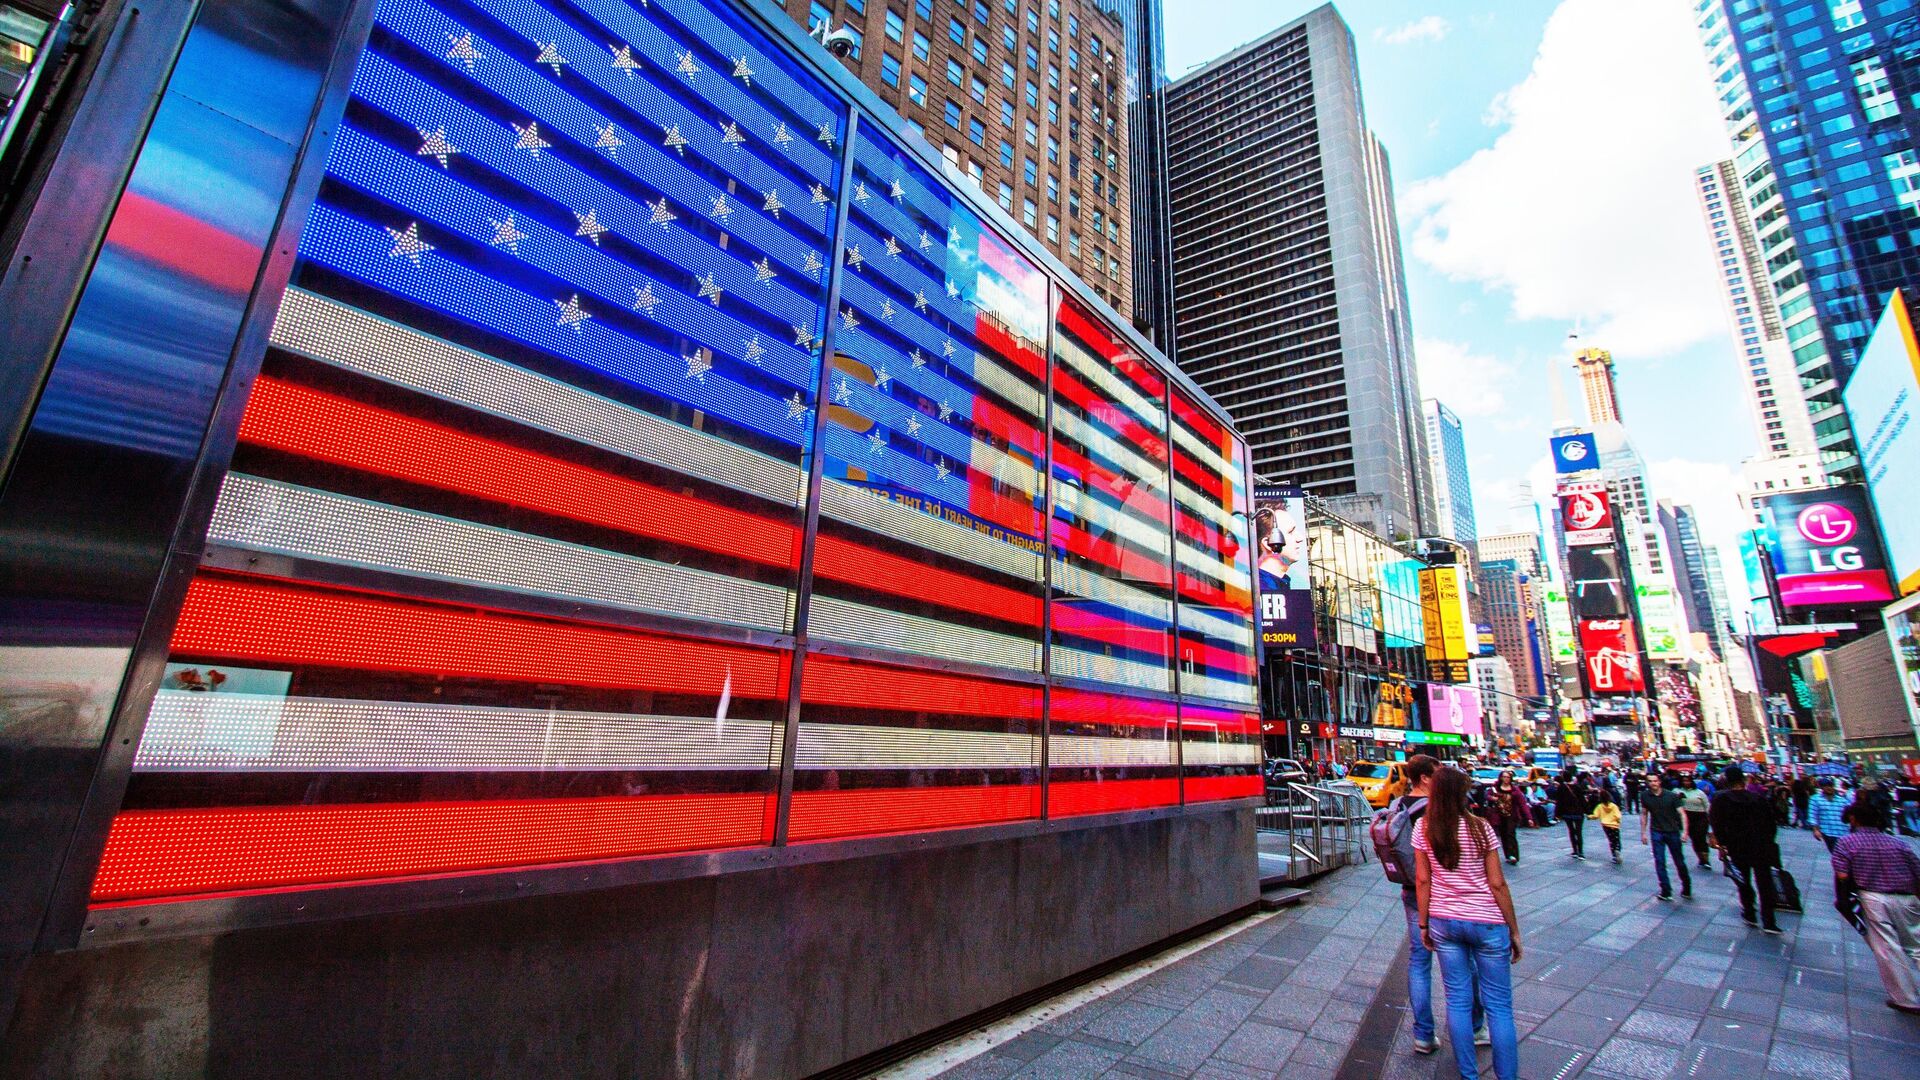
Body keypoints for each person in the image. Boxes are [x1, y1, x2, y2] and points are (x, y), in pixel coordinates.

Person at [1414, 767, 1521, 1080]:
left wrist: (1423, 924)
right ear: (1462, 794)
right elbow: (1498, 883)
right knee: (1499, 1006)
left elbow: (1423, 879)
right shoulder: (1481, 828)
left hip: (1444, 922)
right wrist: (1513, 929)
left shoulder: (1423, 828)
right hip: (1487, 921)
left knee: (1457, 1002)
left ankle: (1469, 1074)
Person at [1385, 756, 1486, 1056]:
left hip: (1412, 891)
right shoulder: (1437, 810)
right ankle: (1476, 1026)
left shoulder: (1399, 805)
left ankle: (1423, 1034)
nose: (1442, 777)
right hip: (1443, 893)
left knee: (1419, 962)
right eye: (1438, 773)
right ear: (1426, 778)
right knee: (1465, 962)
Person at [1830, 801, 1920, 1014]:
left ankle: (1906, 999)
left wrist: (1843, 901)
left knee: (1888, 947)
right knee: (1916, 945)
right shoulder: (1898, 844)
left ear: (1854, 819)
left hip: (1873, 897)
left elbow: (1842, 875)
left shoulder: (1847, 843)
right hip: (1908, 898)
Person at [1709, 767, 1783, 934]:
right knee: (1764, 882)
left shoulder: (1721, 799)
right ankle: (1769, 920)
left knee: (1743, 880)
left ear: (1727, 780)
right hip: (1761, 845)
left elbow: (1717, 824)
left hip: (1738, 846)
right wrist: (1768, 841)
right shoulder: (1758, 798)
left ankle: (1749, 912)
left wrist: (1723, 845)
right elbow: (1771, 823)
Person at [1640, 772, 1693, 901]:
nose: (1653, 783)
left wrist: (1685, 832)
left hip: (1672, 831)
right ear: (1647, 782)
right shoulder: (1645, 796)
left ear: (1660, 782)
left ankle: (1686, 886)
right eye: (1650, 781)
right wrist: (1643, 833)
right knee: (1659, 861)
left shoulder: (1672, 796)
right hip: (1656, 831)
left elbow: (1682, 814)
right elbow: (1644, 813)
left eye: (1655, 781)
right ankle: (1666, 890)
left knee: (1679, 861)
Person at [1550, 770, 1591, 860]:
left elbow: (1559, 802)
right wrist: (1588, 812)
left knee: (1571, 831)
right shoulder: (1577, 787)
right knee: (1579, 832)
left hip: (1568, 813)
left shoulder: (1561, 788)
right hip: (1578, 813)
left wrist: (1557, 814)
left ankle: (1575, 851)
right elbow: (1582, 800)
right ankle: (1581, 852)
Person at [1485, 770, 1522, 865]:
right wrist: (1492, 798)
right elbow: (1487, 795)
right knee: (1504, 834)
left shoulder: (1515, 790)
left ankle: (1514, 855)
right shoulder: (1495, 788)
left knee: (1511, 833)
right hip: (1499, 815)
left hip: (1511, 815)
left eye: (1508, 777)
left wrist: (1529, 818)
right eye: (1504, 777)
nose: (1506, 779)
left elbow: (1522, 803)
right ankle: (1508, 855)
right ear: (1501, 778)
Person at [1807, 779, 1850, 852]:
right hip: (1828, 832)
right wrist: (1815, 830)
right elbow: (1812, 816)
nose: (1829, 788)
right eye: (1826, 786)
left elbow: (1849, 814)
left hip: (1844, 832)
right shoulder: (1815, 799)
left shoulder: (1842, 800)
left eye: (1830, 786)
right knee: (1836, 854)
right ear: (1822, 788)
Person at [1680, 781, 1713, 869]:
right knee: (1694, 839)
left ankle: (1706, 860)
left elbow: (1707, 805)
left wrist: (1709, 817)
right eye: (1684, 780)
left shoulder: (1699, 792)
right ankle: (1701, 859)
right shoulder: (1678, 791)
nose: (1686, 782)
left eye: (1688, 780)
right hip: (1688, 817)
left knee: (1701, 838)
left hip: (1700, 817)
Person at [1590, 786, 1622, 864]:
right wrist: (1617, 821)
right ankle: (1617, 850)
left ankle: (1614, 854)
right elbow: (1618, 815)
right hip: (1614, 825)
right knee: (1616, 839)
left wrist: (1589, 816)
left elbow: (1595, 816)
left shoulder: (1599, 806)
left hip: (1606, 825)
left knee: (1611, 840)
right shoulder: (1614, 806)